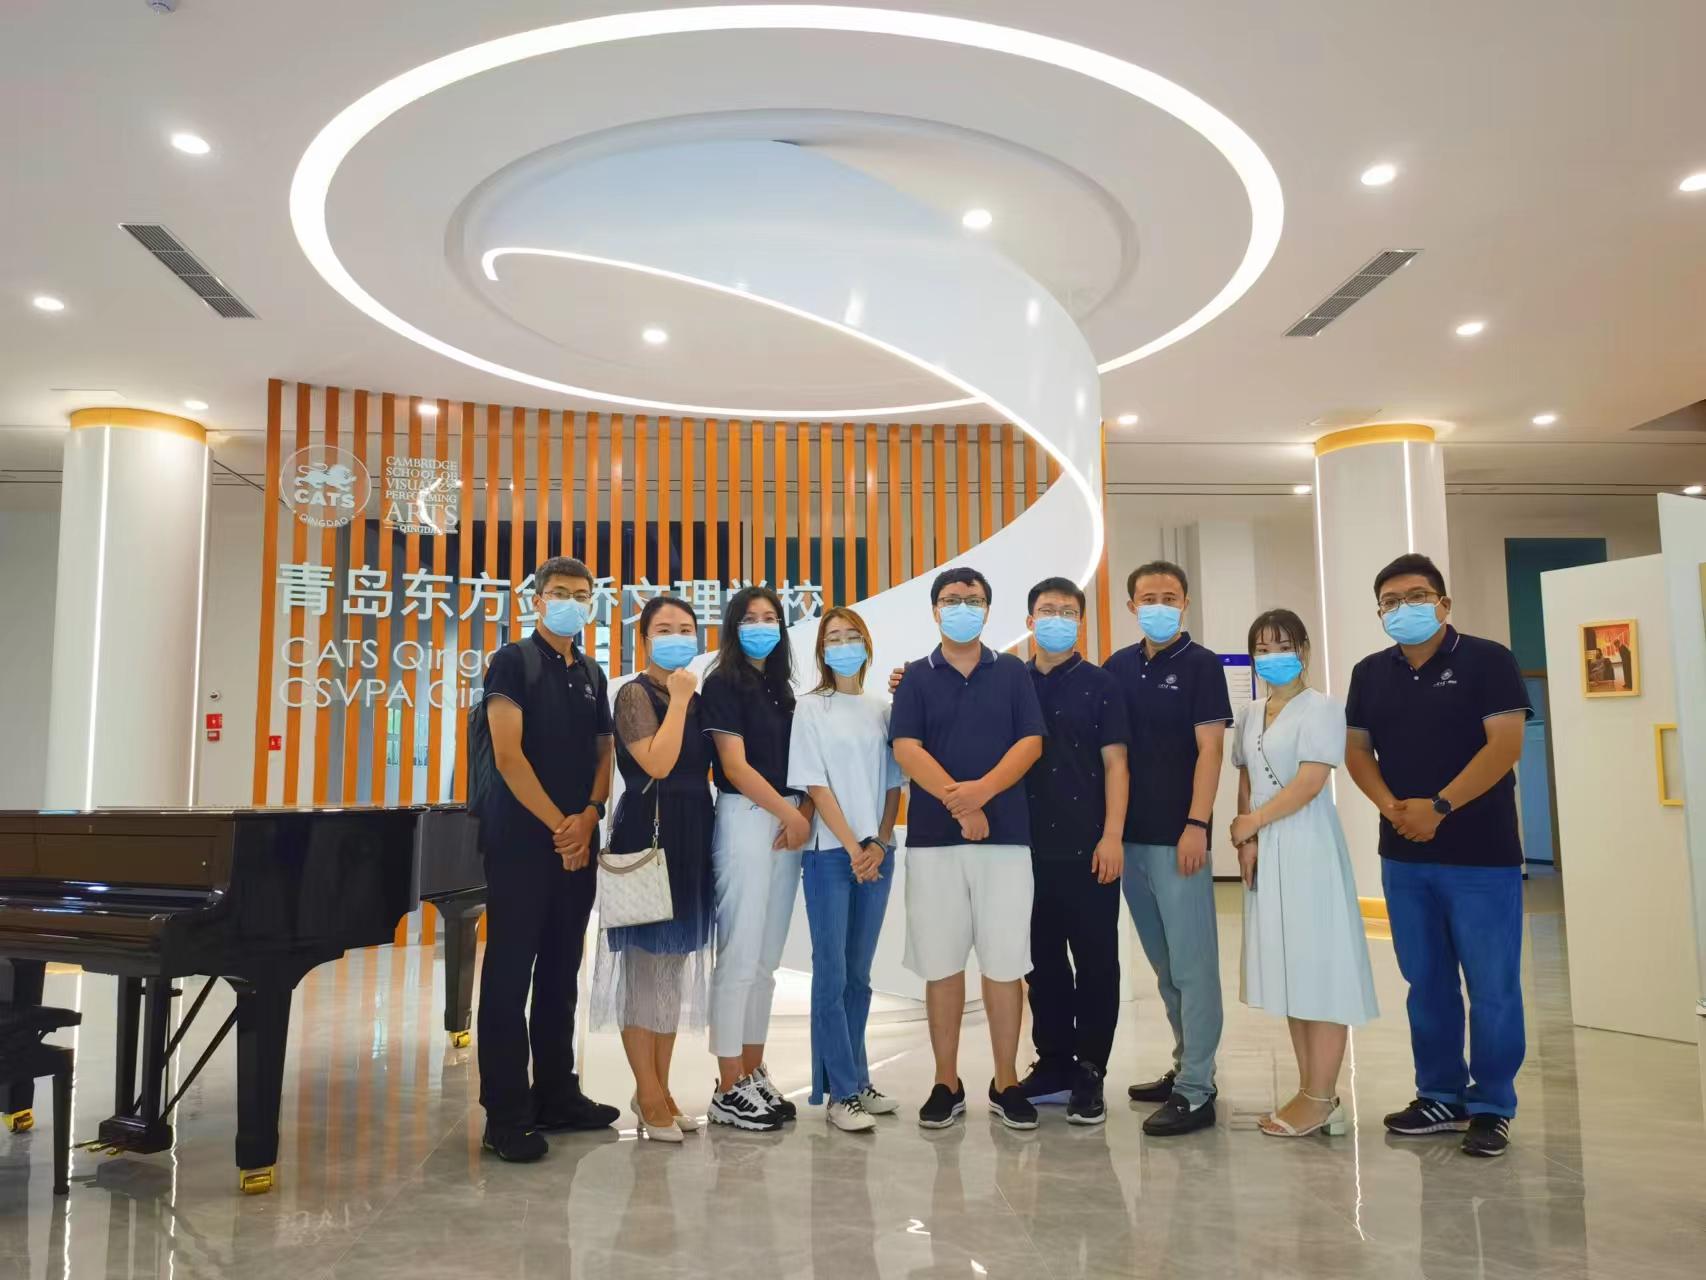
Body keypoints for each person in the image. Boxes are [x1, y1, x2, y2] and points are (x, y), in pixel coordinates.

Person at [1345, 553, 1531, 1159]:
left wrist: (1440, 807)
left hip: (1481, 855)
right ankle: (1440, 1095)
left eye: (1417, 596)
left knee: (1492, 986)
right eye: (1390, 601)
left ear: (1444, 603)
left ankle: (1492, 1104)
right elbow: (1357, 752)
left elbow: (1505, 745)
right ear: (1379, 613)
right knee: (1425, 983)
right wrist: (1393, 808)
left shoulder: (1488, 660)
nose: (1404, 608)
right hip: (1404, 856)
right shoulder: (1370, 673)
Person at [476, 555, 621, 1162]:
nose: (571, 602)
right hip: (520, 842)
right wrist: (561, 826)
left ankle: (557, 1094)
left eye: (582, 595)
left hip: (578, 840)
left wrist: (590, 814)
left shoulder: (591, 671)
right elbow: (508, 756)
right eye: (560, 593)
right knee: (510, 976)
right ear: (537, 600)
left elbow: (604, 751)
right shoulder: (513, 661)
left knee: (562, 972)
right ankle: (505, 1115)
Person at [890, 567, 1046, 1130]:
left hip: (1006, 842)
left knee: (1005, 965)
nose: (962, 607)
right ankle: (945, 1081)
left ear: (987, 609)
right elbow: (906, 748)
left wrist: (982, 793)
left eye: (973, 600)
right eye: (952, 599)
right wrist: (963, 806)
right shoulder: (915, 676)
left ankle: (1006, 1081)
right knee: (941, 964)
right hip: (935, 843)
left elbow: (1030, 742)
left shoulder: (1012, 672)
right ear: (935, 610)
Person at [1227, 608, 1379, 1138]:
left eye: (1283, 646)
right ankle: (1310, 1090)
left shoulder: (1323, 709)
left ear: (1304, 650)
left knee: (1320, 968)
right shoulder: (1249, 714)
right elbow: (1246, 778)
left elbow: (1311, 782)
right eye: (1262, 648)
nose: (1273, 657)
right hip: (1265, 848)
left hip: (1307, 843)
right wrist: (1247, 842)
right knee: (1292, 971)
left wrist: (1253, 822)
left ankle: (1322, 1096)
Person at [1103, 559, 1232, 1137]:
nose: (1159, 605)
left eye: (1170, 596)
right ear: (1132, 606)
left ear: (1185, 603)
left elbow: (1210, 750)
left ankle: (1198, 1089)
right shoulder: (1117, 668)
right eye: (1148, 597)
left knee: (1193, 965)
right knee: (1163, 966)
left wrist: (1197, 823)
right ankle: (1185, 1066)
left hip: (1180, 839)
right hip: (1129, 839)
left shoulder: (1201, 665)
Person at [592, 594, 718, 1144]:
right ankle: (645, 1092)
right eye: (664, 629)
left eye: (686, 628)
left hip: (693, 832)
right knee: (644, 972)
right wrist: (683, 700)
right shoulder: (634, 695)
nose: (676, 637)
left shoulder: (696, 696)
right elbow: (658, 763)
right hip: (649, 833)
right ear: (643, 638)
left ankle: (661, 1090)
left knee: (671, 972)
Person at [1015, 576, 1130, 1126]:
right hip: (1024, 849)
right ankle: (1054, 1061)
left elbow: (1117, 765)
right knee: (1041, 964)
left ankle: (1090, 1068)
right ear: (1029, 620)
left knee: (1096, 962)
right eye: (1047, 610)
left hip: (1090, 847)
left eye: (1067, 611)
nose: (1056, 619)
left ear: (1081, 621)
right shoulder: (1012, 682)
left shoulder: (1101, 685)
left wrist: (1113, 835)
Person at [702, 585, 816, 1130]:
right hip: (748, 818)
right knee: (740, 952)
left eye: (772, 617)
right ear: (733, 626)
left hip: (787, 820)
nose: (763, 626)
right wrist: (790, 814)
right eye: (751, 618)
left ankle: (751, 1070)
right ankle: (727, 1085)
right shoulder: (722, 682)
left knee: (766, 960)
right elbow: (735, 766)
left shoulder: (782, 688)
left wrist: (801, 811)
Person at [788, 607, 904, 1133]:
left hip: (877, 854)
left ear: (867, 644)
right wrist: (855, 846)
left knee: (859, 974)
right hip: (830, 856)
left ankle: (857, 1079)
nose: (842, 644)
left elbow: (893, 784)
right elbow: (815, 785)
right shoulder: (811, 708)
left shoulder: (882, 710)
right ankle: (839, 1093)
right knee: (831, 974)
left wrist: (879, 841)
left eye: (851, 635)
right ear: (821, 651)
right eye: (832, 638)